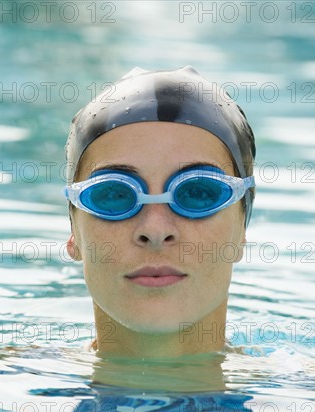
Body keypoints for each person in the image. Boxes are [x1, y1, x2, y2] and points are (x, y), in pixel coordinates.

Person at [63, 66, 256, 358]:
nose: (154, 230)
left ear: (241, 230)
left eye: (198, 193)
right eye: (115, 194)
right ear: (74, 234)